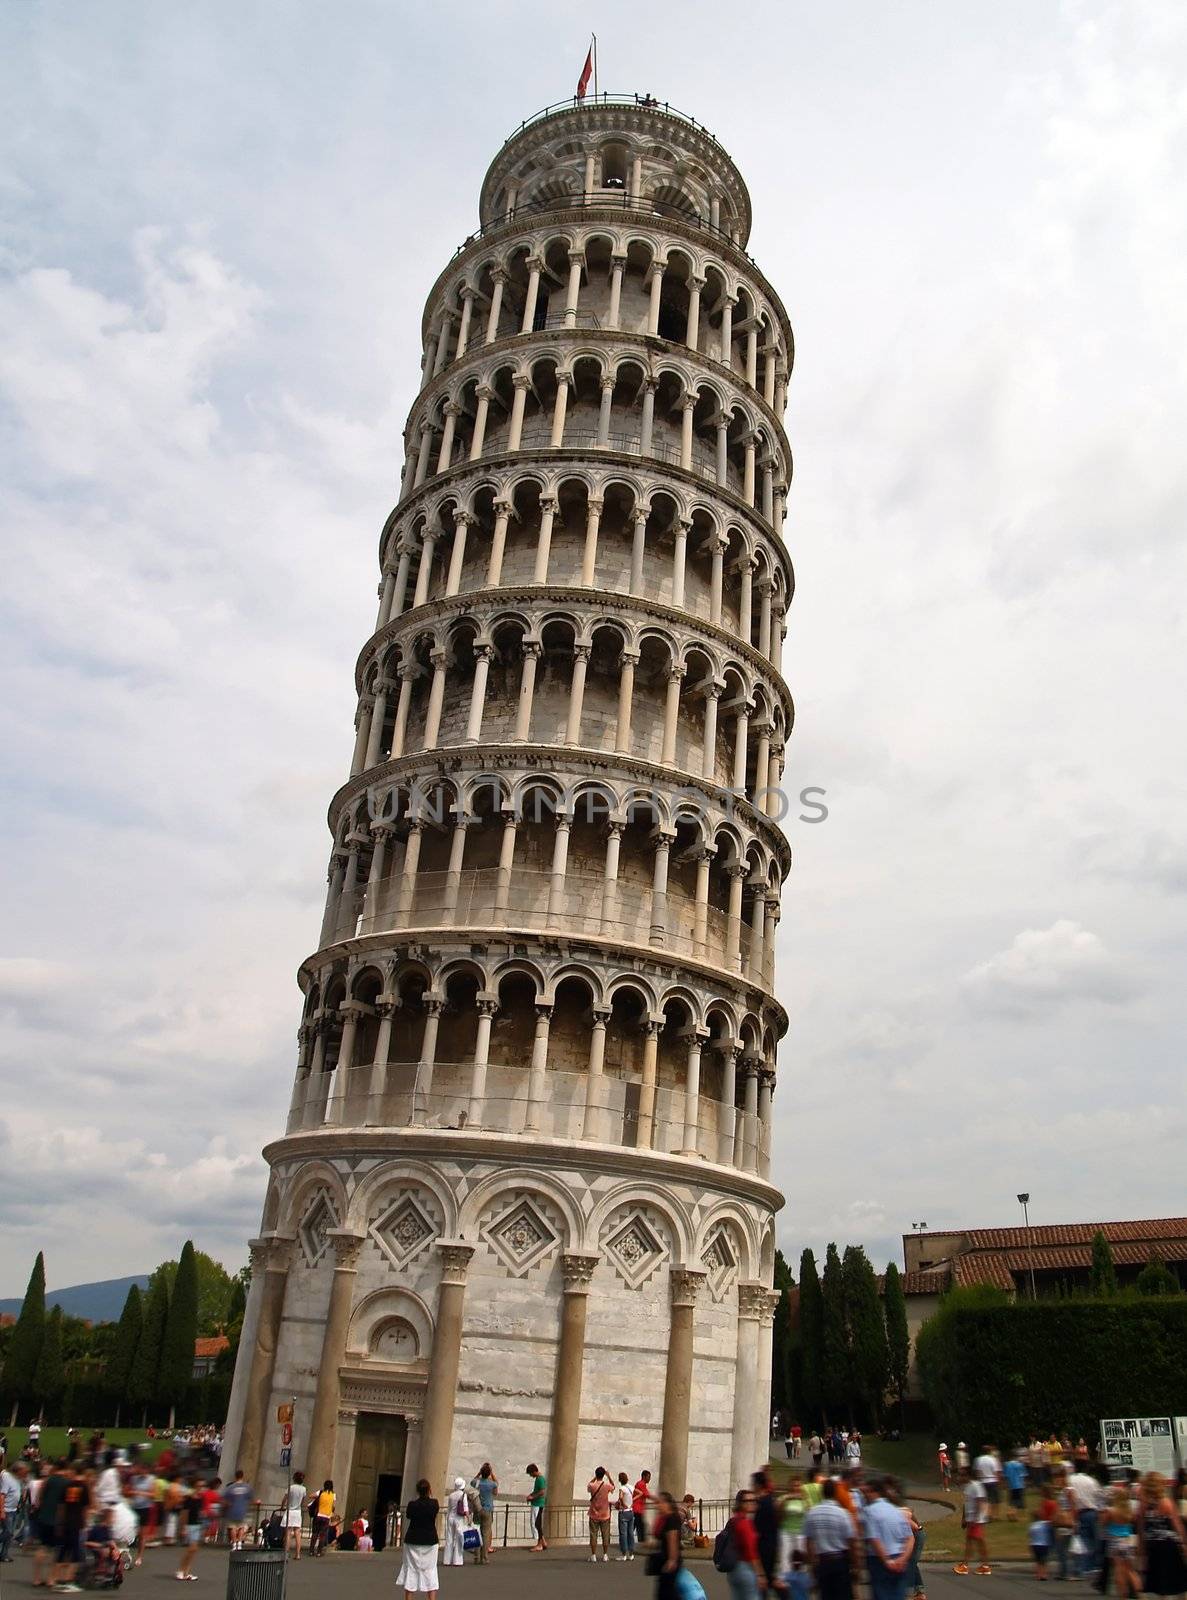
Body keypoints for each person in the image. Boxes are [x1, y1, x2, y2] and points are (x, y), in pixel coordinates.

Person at [862, 1475, 914, 1600]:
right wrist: (903, 1558)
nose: (865, 1496)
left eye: (867, 1492)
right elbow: (910, 1538)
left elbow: (874, 1539)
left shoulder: (870, 1511)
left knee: (882, 1594)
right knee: (898, 1595)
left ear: (875, 1492)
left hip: (879, 1559)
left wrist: (886, 1560)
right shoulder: (896, 1511)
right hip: (899, 1555)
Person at [804, 1478, 857, 1600]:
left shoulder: (812, 1513)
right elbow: (851, 1541)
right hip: (840, 1561)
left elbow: (808, 1541)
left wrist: (812, 1563)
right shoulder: (843, 1514)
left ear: (821, 1493)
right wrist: (855, 1565)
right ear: (835, 1493)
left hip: (822, 1561)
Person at [1137, 1472, 1187, 1597]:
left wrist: (1141, 1548)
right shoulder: (1167, 1503)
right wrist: (1184, 1544)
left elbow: (1141, 1528)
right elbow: (1177, 1525)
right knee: (1178, 1580)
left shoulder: (1144, 1505)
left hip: (1153, 1546)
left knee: (1160, 1583)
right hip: (1169, 1546)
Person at [719, 1487, 766, 1598]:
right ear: (740, 1503)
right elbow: (751, 1552)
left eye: (754, 1500)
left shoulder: (733, 1520)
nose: (752, 1503)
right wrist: (760, 1574)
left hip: (733, 1570)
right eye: (748, 1501)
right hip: (745, 1568)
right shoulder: (745, 1523)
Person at [53, 1459, 91, 1592]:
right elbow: (85, 1508)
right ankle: (69, 1581)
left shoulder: (67, 1486)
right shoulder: (84, 1487)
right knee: (75, 1553)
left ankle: (56, 1580)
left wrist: (59, 1523)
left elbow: (61, 1507)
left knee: (63, 1551)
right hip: (77, 1522)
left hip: (65, 1522)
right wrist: (85, 1525)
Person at [398, 1478, 440, 1598]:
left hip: (413, 1539)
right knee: (430, 1569)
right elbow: (434, 1513)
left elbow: (409, 1515)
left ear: (417, 1491)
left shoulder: (412, 1505)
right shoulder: (434, 1503)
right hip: (430, 1539)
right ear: (429, 1490)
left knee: (411, 1569)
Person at [1105, 1483, 1139, 1599]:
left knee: (1119, 1569)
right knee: (1130, 1569)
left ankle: (1122, 1595)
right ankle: (1139, 1593)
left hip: (1115, 1540)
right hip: (1128, 1540)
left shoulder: (1111, 1511)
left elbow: (1103, 1523)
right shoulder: (1130, 1511)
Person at [953, 1469, 991, 1576]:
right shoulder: (967, 1487)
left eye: (961, 1476)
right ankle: (982, 1565)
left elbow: (981, 1502)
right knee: (975, 1541)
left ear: (968, 1476)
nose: (959, 1478)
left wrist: (975, 1518)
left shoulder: (976, 1486)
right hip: (971, 1518)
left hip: (976, 1519)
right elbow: (967, 1503)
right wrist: (964, 1518)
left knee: (976, 1541)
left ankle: (967, 1565)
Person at [753, 1469, 783, 1594]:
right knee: (769, 1578)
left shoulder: (762, 1503)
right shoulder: (771, 1500)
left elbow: (757, 1526)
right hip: (772, 1542)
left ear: (758, 1485)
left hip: (764, 1545)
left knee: (765, 1580)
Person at [652, 1490, 683, 1600]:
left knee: (667, 1592)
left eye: (660, 1503)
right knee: (666, 1592)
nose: (657, 1506)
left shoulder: (672, 1518)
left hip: (670, 1558)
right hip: (665, 1557)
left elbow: (672, 1539)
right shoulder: (665, 1518)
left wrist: (672, 1560)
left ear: (667, 1504)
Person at [778, 1472, 807, 1578]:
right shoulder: (785, 1498)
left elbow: (808, 1511)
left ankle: (800, 1577)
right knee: (785, 1554)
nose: (796, 1487)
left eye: (798, 1485)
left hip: (800, 1532)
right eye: (794, 1485)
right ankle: (785, 1577)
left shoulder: (804, 1499)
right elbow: (778, 1508)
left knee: (800, 1555)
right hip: (786, 1531)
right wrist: (787, 1498)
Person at [176, 1478, 203, 1581]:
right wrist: (183, 1528)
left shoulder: (199, 1498)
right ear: (194, 1486)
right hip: (190, 1525)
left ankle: (186, 1572)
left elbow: (199, 1512)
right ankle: (181, 1570)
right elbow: (184, 1513)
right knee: (190, 1549)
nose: (201, 1488)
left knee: (193, 1550)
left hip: (197, 1524)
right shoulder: (189, 1498)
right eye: (199, 1486)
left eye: (202, 1486)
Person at [471, 1464, 497, 1561]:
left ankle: (476, 1556)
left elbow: (472, 1482)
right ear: (489, 1473)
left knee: (477, 1532)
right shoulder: (491, 1484)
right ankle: (484, 1557)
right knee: (486, 1533)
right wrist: (492, 1473)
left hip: (478, 1509)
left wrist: (478, 1474)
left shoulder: (478, 1483)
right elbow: (496, 1485)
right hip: (488, 1509)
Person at [223, 1471, 253, 1552]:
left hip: (232, 1510)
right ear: (242, 1476)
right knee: (241, 1527)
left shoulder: (230, 1487)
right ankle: (239, 1544)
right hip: (242, 1510)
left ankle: (234, 1544)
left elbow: (225, 1499)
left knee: (232, 1527)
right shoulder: (247, 1487)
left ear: (235, 1476)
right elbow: (250, 1498)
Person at [587, 1466, 612, 1561]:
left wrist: (595, 1477)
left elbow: (589, 1484)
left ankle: (593, 1555)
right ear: (603, 1475)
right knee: (605, 1535)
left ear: (596, 1474)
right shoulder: (606, 1485)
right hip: (605, 1513)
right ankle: (605, 1555)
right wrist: (608, 1476)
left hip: (593, 1513)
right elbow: (613, 1487)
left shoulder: (592, 1486)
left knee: (593, 1535)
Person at [443, 1477, 469, 1566]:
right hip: (459, 1518)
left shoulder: (451, 1495)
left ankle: (447, 1560)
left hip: (450, 1517)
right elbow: (465, 1508)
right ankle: (457, 1560)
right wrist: (469, 1519)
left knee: (449, 1538)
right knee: (458, 1539)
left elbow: (449, 1508)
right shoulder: (463, 1495)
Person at [283, 1470, 306, 1559]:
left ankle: (286, 1553)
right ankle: (298, 1554)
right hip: (297, 1511)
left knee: (288, 1533)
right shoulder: (303, 1489)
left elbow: (285, 1499)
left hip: (290, 1511)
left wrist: (282, 1506)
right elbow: (302, 1501)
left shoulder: (291, 1487)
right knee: (297, 1533)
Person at [614, 1471, 636, 1561]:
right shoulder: (631, 1487)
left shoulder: (622, 1488)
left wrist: (623, 1504)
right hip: (631, 1512)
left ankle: (623, 1554)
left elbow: (620, 1497)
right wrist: (632, 1502)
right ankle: (631, 1554)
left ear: (620, 1479)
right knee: (630, 1533)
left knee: (623, 1534)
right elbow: (639, 1493)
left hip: (623, 1512)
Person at [525, 1463, 547, 1551]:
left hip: (538, 1504)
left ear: (534, 1471)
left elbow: (542, 1492)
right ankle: (543, 1542)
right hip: (537, 1503)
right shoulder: (539, 1478)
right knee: (538, 1523)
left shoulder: (540, 1479)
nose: (530, 1475)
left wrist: (532, 1497)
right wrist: (531, 1495)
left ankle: (539, 1544)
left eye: (530, 1473)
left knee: (536, 1523)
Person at [974, 1448, 1000, 1519]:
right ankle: (993, 1515)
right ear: (989, 1451)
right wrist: (997, 1481)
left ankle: (985, 1515)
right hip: (992, 1481)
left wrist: (979, 1480)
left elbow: (978, 1472)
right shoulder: (992, 1459)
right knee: (993, 1499)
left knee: (984, 1500)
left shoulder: (978, 1460)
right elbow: (996, 1471)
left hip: (983, 1481)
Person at [310, 1479, 335, 1556]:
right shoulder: (333, 1495)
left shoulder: (320, 1492)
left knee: (315, 1533)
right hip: (327, 1516)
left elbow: (310, 1496)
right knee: (322, 1535)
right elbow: (333, 1506)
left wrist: (317, 1499)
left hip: (318, 1515)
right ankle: (319, 1551)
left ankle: (311, 1551)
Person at [1003, 1452, 1028, 1521]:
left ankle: (1010, 1512)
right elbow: (1024, 1475)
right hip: (1020, 1485)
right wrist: (1025, 1483)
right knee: (1020, 1501)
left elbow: (1006, 1476)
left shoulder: (1007, 1465)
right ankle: (1017, 1515)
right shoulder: (1020, 1464)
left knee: (1013, 1501)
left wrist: (1006, 1485)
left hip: (1011, 1486)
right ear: (1016, 1457)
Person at [1030, 1508, 1052, 1580]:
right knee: (1044, 1561)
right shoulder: (1045, 1524)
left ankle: (1038, 1575)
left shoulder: (1032, 1525)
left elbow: (1031, 1535)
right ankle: (1044, 1574)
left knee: (1038, 1561)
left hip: (1034, 1544)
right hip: (1044, 1544)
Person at [633, 1469, 653, 1545]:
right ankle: (642, 1542)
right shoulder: (641, 1484)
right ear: (644, 1476)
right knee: (640, 1527)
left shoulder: (640, 1484)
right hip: (638, 1509)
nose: (649, 1479)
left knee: (636, 1526)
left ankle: (629, 1541)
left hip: (637, 1509)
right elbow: (647, 1494)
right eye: (648, 1477)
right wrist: (658, 1500)